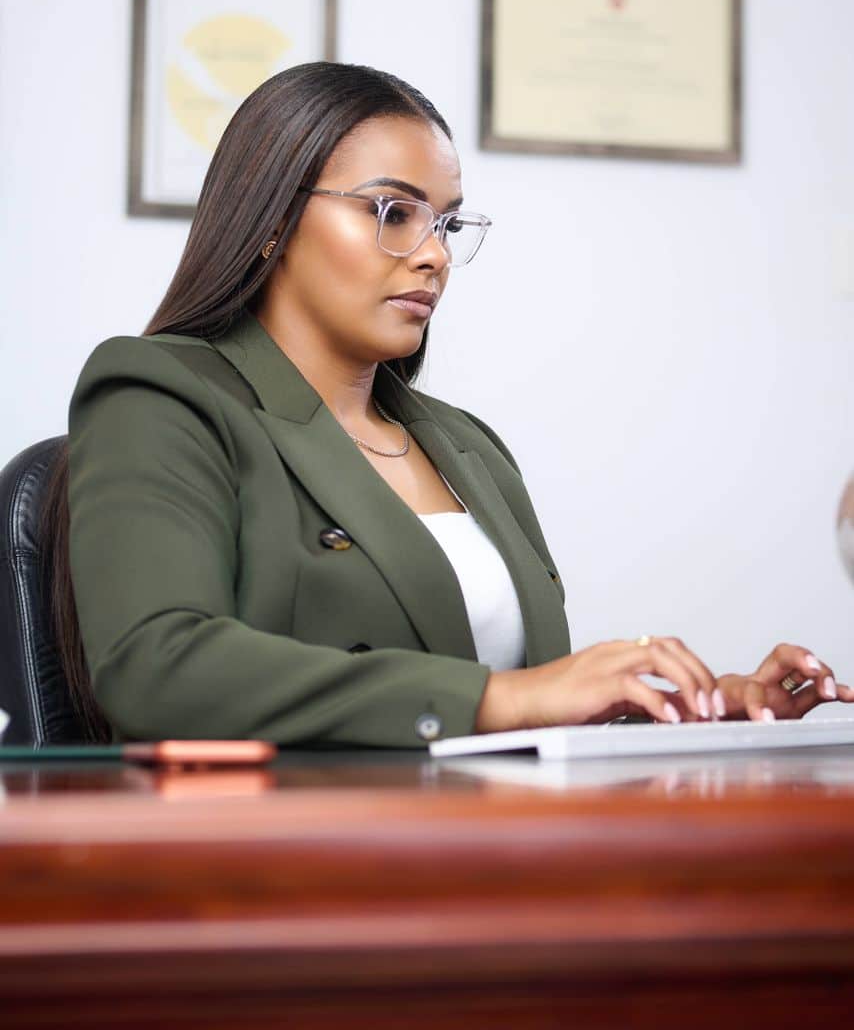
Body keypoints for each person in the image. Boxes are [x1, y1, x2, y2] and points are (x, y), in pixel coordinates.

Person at [50, 63, 853, 747]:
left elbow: (528, 713)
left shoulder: (464, 446)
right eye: (393, 213)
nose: (434, 254)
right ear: (273, 220)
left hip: (485, 854)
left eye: (447, 222)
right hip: (284, 873)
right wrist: (497, 701)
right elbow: (157, 665)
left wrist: (704, 710)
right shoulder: (162, 395)